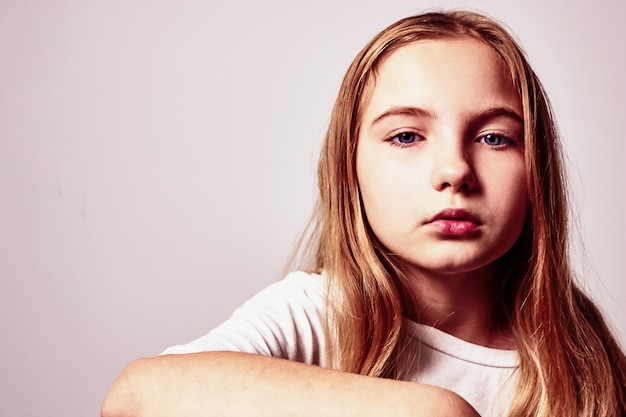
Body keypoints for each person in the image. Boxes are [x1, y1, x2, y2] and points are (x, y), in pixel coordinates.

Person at [101, 10, 626, 417]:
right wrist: (433, 408)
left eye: (494, 138)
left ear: (538, 171)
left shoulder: (585, 360)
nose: (454, 170)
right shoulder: (315, 314)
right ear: (350, 169)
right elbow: (135, 397)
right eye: (405, 136)